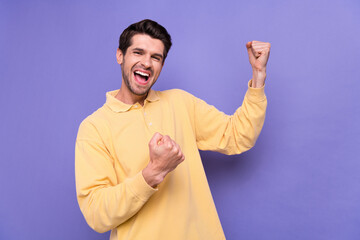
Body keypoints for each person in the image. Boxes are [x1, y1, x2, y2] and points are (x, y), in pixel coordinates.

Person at [75, 19, 270, 240]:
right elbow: (96, 213)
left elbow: (238, 135)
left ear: (161, 65)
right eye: (138, 52)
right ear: (120, 55)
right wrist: (152, 173)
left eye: (155, 57)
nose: (146, 63)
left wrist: (258, 75)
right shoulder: (94, 127)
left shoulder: (180, 102)